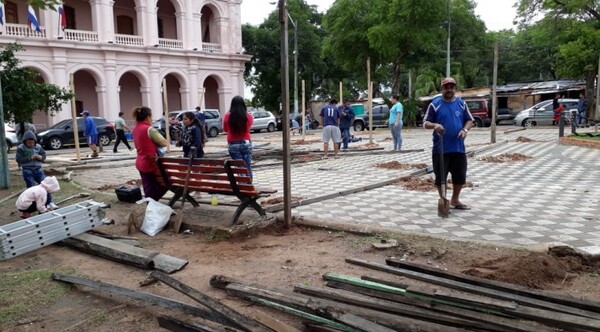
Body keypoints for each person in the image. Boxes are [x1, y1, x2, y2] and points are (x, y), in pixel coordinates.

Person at [423, 77, 474, 210]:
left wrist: (465, 130)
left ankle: (455, 200)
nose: (449, 90)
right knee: (441, 177)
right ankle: (443, 199)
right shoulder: (435, 104)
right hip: (441, 148)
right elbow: (425, 123)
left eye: (452, 87)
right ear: (442, 89)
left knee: (460, 176)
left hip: (458, 147)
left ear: (455, 89)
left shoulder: (461, 104)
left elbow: (469, 120)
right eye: (446, 87)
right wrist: (435, 125)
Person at [132, 106, 169, 201]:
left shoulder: (135, 129)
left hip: (140, 162)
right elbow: (164, 143)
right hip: (150, 164)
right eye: (151, 117)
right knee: (165, 182)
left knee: (148, 186)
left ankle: (151, 203)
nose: (152, 119)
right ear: (147, 117)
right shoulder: (149, 129)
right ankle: (152, 203)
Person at [15, 130, 58, 210]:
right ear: (25, 142)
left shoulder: (38, 147)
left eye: (32, 142)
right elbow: (18, 159)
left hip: (38, 169)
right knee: (31, 188)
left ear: (35, 141)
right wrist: (29, 158)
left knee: (45, 186)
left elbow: (43, 155)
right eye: (29, 143)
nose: (31, 144)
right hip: (27, 170)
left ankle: (49, 202)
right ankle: (34, 205)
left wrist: (40, 158)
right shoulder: (21, 148)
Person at [223, 96, 254, 180]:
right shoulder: (249, 116)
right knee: (248, 166)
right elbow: (248, 127)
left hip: (233, 144)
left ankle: (243, 187)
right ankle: (249, 187)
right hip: (246, 142)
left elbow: (225, 129)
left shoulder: (227, 116)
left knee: (240, 168)